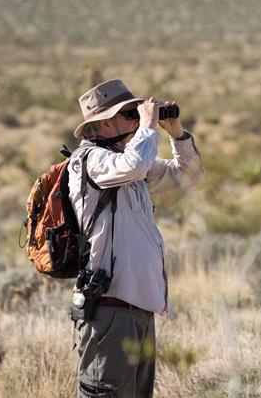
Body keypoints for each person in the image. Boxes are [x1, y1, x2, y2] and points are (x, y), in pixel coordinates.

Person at [68, 79, 204, 397]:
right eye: (127, 113)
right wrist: (146, 126)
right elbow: (135, 164)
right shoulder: (90, 162)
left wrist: (177, 133)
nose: (134, 118)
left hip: (139, 309)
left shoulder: (129, 163)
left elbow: (190, 174)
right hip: (109, 309)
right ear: (102, 124)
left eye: (134, 112)